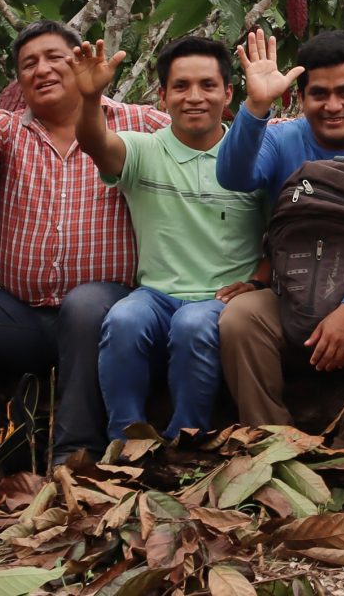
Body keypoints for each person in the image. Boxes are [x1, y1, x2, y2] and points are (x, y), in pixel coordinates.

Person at [0, 20, 169, 490]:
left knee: (86, 303)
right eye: (28, 64)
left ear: (81, 61)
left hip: (107, 309)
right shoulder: (10, 133)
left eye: (55, 57)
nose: (42, 69)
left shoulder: (139, 123)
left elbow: (207, 141)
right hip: (26, 315)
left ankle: (73, 457)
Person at [214, 28, 344, 448]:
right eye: (318, 94)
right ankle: (273, 445)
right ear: (300, 97)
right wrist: (256, 105)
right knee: (240, 318)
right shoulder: (281, 137)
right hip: (291, 290)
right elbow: (233, 176)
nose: (332, 106)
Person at [67, 36, 268, 441]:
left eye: (208, 86)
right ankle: (125, 441)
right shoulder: (144, 151)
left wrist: (259, 280)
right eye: (181, 86)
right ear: (162, 96)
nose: (194, 97)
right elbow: (94, 143)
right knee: (124, 319)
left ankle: (185, 439)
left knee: (193, 325)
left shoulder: (252, 156)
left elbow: (281, 234)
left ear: (228, 93)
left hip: (221, 298)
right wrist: (90, 99)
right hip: (156, 294)